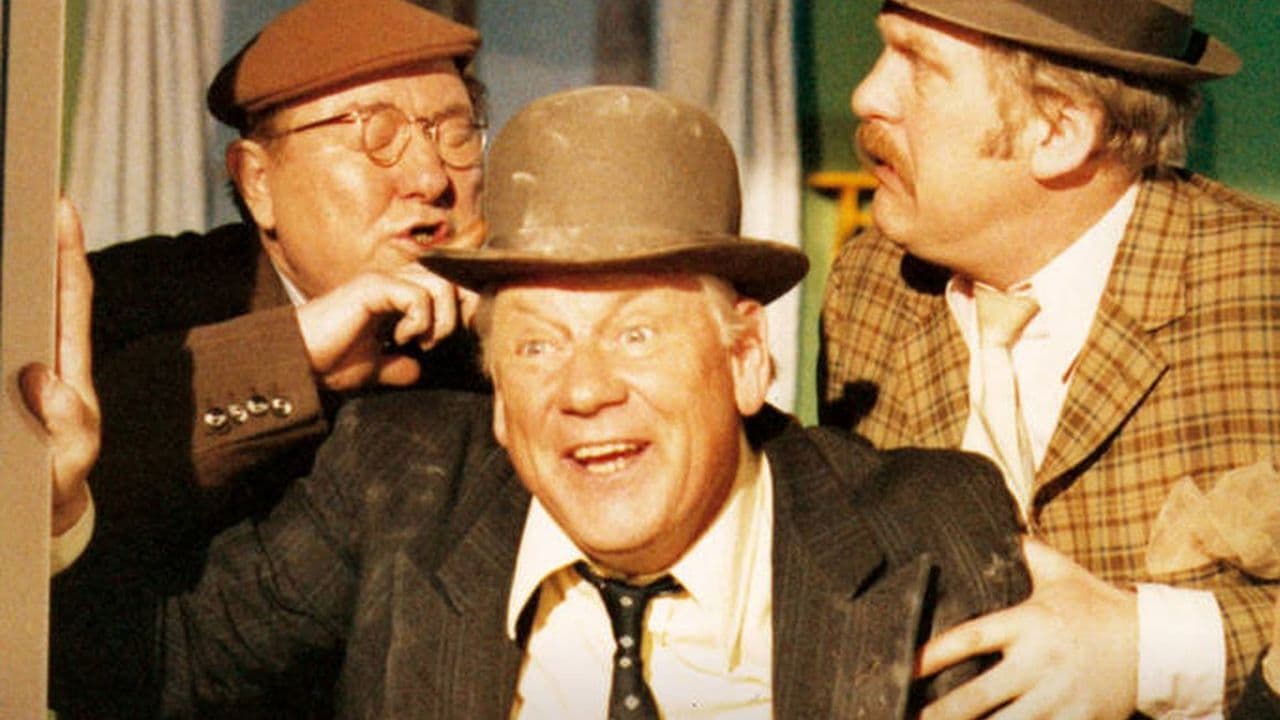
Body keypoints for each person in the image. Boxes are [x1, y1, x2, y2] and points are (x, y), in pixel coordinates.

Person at [32, 85, 1031, 719]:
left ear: (742, 359)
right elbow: (141, 669)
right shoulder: (398, 484)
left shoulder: (927, 529)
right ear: (497, 391)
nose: (585, 390)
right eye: (537, 345)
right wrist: (60, 507)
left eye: (635, 334)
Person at [819, 0, 1280, 716]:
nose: (867, 95)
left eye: (919, 64)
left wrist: (1146, 649)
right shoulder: (869, 286)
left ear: (1059, 130)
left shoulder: (1263, 292)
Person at [23, 0, 485, 714]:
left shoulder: (509, 338)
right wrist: (292, 354)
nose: (430, 178)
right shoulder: (130, 300)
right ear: (259, 183)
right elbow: (62, 483)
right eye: (377, 135)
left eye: (454, 133)